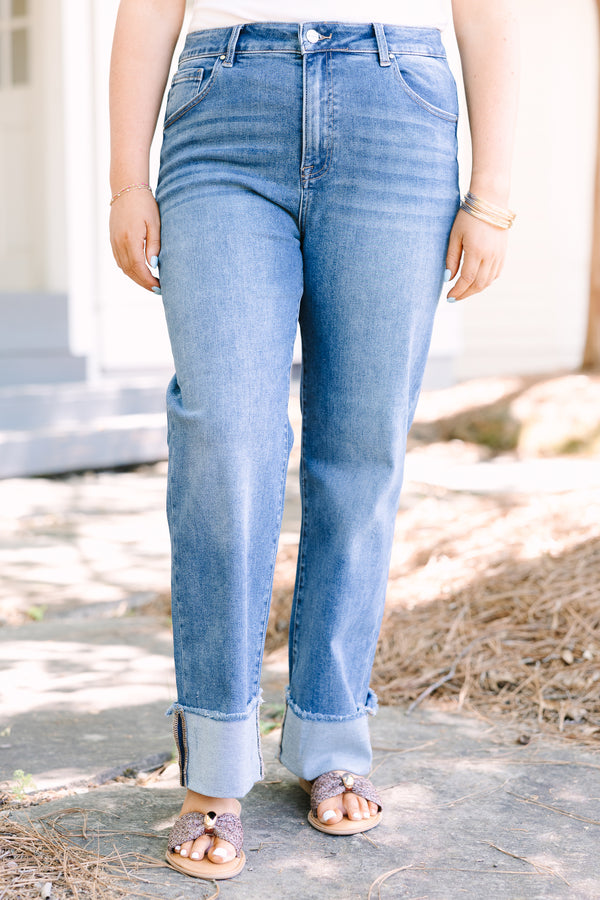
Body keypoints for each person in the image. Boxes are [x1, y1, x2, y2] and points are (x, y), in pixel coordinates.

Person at [109, 0, 519, 881]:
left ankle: (332, 732)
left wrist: (493, 195)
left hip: (396, 104)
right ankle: (213, 767)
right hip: (224, 99)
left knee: (361, 447)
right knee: (224, 434)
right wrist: (125, 180)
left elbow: (486, 13)